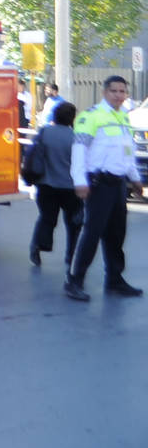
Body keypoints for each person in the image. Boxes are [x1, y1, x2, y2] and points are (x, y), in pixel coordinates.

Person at [65, 75, 145, 301]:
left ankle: (115, 279)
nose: (119, 95)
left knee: (116, 233)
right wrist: (79, 180)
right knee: (91, 233)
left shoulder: (123, 117)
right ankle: (74, 280)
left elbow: (127, 152)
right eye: (114, 91)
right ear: (104, 92)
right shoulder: (90, 117)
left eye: (122, 91)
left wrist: (135, 178)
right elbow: (78, 150)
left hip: (118, 184)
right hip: (98, 183)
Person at [29, 102, 82, 268]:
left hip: (45, 185)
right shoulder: (75, 138)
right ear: (72, 118)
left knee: (46, 218)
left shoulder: (45, 132)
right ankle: (70, 255)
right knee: (73, 223)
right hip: (69, 188)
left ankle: (37, 246)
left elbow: (35, 155)